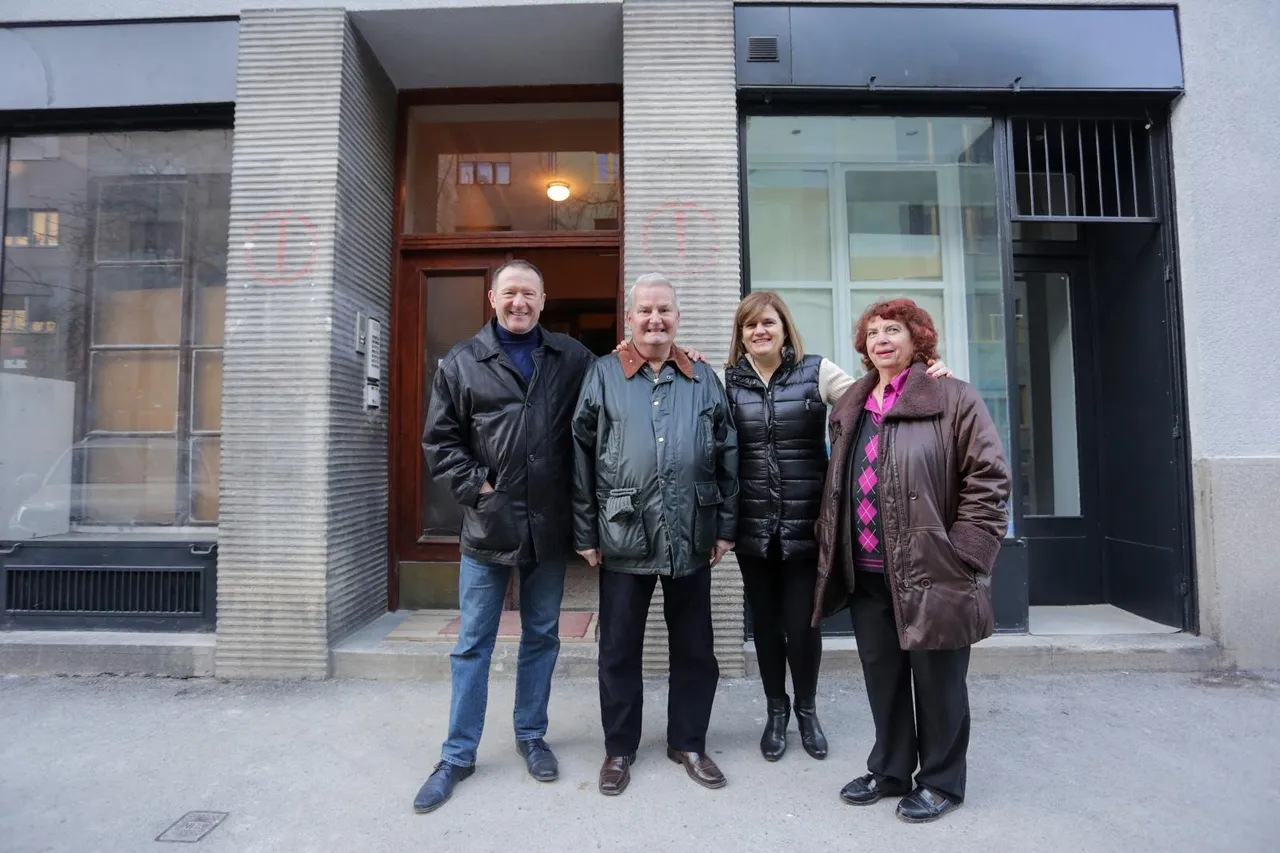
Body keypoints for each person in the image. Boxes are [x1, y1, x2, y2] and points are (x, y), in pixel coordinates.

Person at [721, 291, 951, 763]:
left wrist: (925, 377)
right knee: (765, 626)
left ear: (784, 328)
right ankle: (776, 711)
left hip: (809, 525)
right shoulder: (727, 382)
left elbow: (879, 393)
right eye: (750, 325)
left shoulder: (817, 371)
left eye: (768, 322)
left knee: (802, 625)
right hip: (752, 526)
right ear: (740, 335)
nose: (760, 331)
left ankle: (806, 711)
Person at [811, 297, 1010, 823]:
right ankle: (891, 770)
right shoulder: (853, 404)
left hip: (933, 569)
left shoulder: (954, 397)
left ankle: (941, 781)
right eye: (873, 332)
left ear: (917, 338)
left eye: (893, 330)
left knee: (939, 684)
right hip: (866, 569)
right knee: (884, 678)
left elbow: (989, 480)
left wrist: (966, 554)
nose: (881, 339)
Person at [415, 259, 595, 814]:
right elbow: (440, 441)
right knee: (473, 643)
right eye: (510, 293)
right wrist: (481, 487)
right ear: (492, 298)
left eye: (529, 294)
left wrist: (679, 356)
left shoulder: (572, 358)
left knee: (542, 636)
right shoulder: (462, 362)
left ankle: (531, 735)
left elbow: (617, 386)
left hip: (549, 526)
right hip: (488, 525)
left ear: (543, 300)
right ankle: (457, 755)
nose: (520, 302)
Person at [572, 273, 739, 797]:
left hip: (691, 531)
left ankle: (688, 742)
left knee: (696, 648)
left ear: (677, 317)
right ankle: (619, 748)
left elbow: (728, 452)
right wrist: (585, 531)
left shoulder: (702, 377)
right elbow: (579, 453)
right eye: (644, 310)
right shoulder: (603, 374)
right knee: (619, 649)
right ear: (629, 318)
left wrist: (725, 527)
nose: (654, 319)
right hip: (623, 532)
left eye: (664, 309)